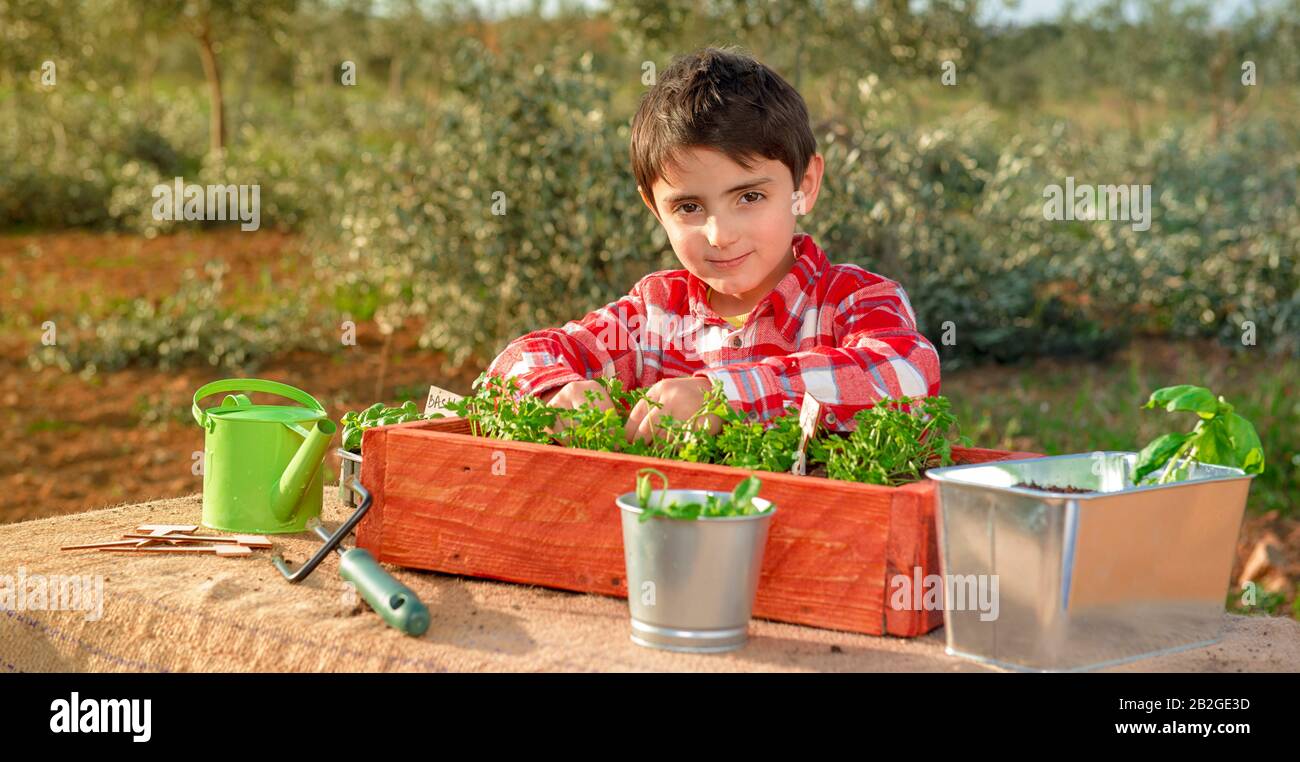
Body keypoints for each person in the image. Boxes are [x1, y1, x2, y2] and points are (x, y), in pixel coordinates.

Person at [487, 46, 940, 443]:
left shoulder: (854, 301)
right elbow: (513, 363)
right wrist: (554, 391)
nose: (720, 235)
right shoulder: (652, 317)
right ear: (654, 207)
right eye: (688, 207)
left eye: (749, 197)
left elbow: (905, 373)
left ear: (805, 184)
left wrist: (721, 397)